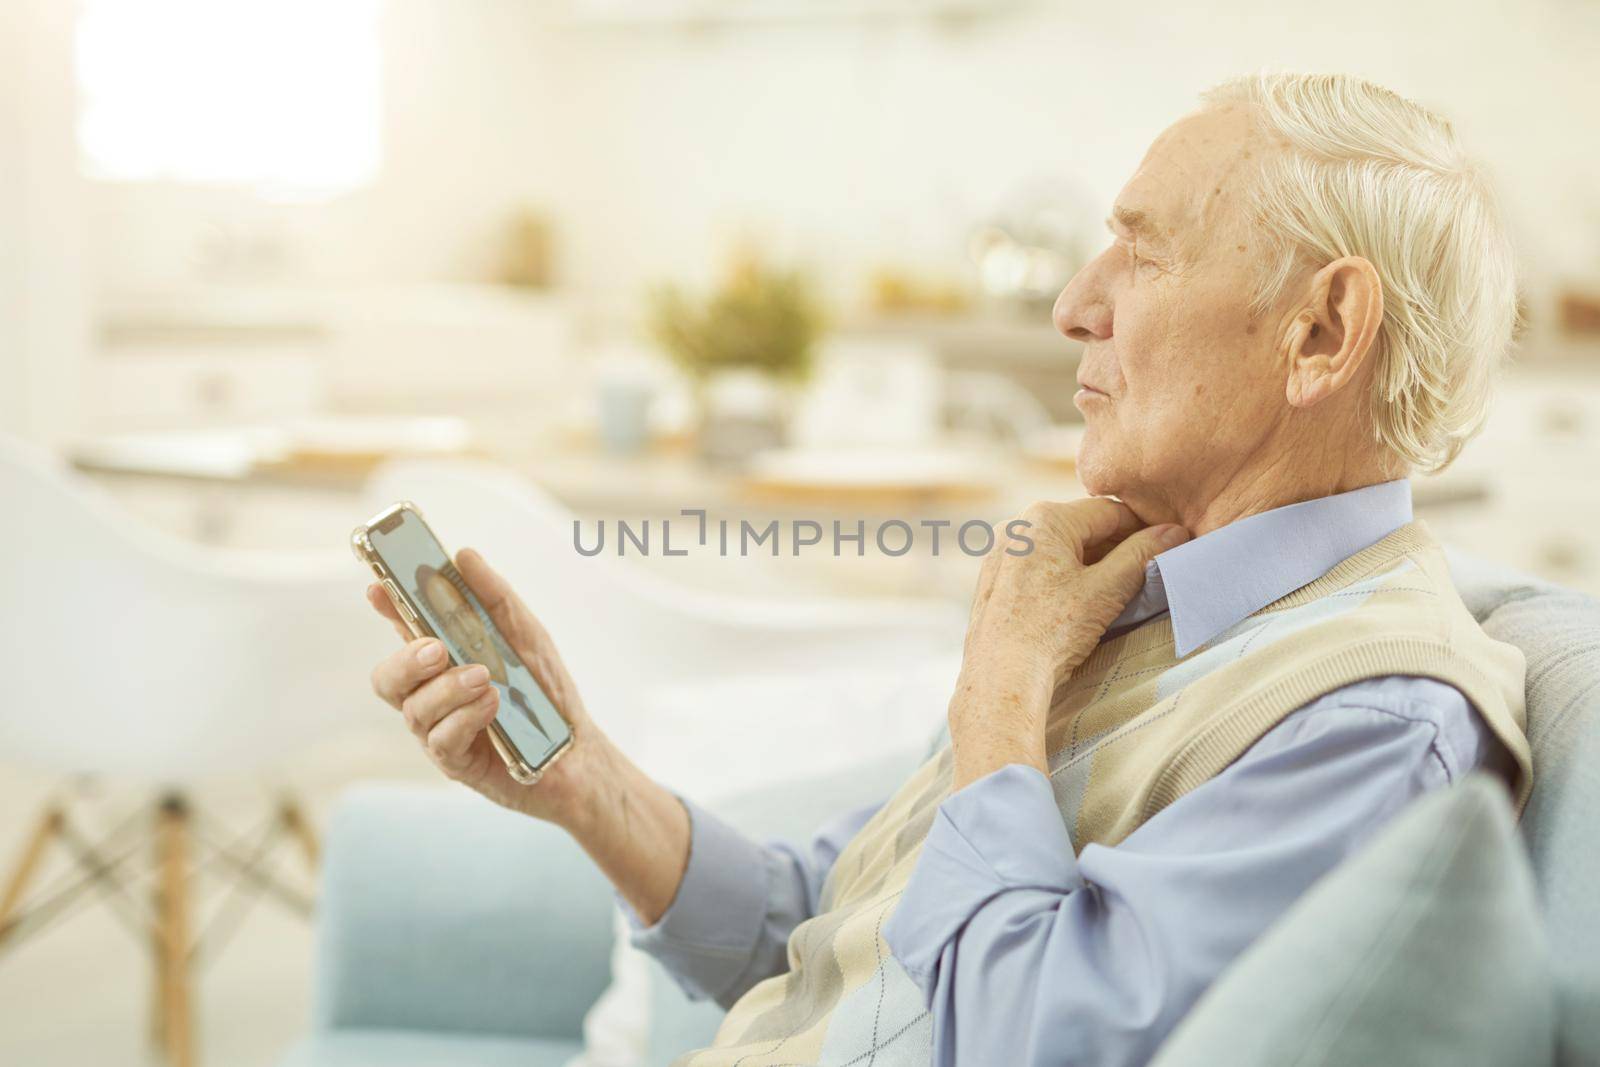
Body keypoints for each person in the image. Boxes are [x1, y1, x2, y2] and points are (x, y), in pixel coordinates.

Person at [366, 72, 1531, 1066]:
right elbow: (822, 926)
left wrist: (1001, 682)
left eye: (1144, 251)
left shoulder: (1368, 722)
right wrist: (583, 778)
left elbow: (1021, 1036)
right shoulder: (1146, 591)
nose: (1076, 305)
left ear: (1321, 333)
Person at [413, 562, 551, 744]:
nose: (466, 630)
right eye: (452, 621)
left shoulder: (534, 675)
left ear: (475, 612)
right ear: (447, 634)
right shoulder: (482, 719)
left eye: (463, 611)